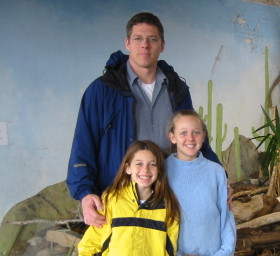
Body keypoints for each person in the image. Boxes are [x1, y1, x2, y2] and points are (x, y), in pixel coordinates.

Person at [66, 12, 220, 228]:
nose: (145, 45)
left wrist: (219, 177)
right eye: (138, 39)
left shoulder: (177, 90)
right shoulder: (101, 91)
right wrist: (85, 193)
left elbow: (193, 138)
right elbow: (83, 144)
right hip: (119, 197)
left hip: (169, 193)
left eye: (152, 39)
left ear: (162, 45)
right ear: (127, 43)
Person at [158, 110, 236, 256]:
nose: (190, 138)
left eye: (196, 132)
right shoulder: (162, 171)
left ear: (203, 136)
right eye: (183, 133)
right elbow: (157, 221)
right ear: (172, 137)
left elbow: (226, 218)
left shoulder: (216, 171)